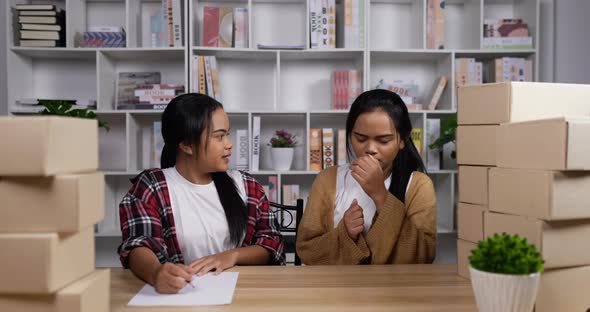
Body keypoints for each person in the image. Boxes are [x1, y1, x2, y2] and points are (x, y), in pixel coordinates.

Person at [117, 93, 284, 294]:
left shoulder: (247, 185)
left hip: (241, 294)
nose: (229, 144)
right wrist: (156, 273)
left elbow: (272, 243)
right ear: (186, 144)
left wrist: (232, 256)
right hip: (180, 296)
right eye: (219, 136)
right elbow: (138, 244)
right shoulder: (152, 186)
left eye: (227, 134)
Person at [296, 89, 436, 265]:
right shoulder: (328, 179)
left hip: (396, 290)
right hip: (335, 288)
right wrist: (345, 233)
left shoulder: (418, 185)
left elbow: (424, 255)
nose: (370, 148)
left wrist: (380, 195)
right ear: (350, 135)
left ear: (403, 140)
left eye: (383, 141)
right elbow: (306, 250)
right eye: (360, 139)